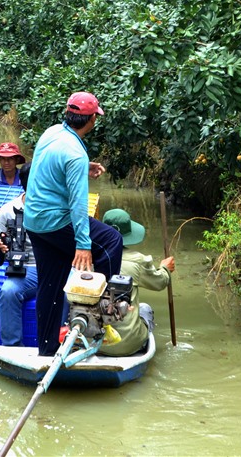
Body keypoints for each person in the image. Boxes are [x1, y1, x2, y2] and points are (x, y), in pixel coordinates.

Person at [23, 91, 124, 357]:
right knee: (112, 241)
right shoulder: (75, 153)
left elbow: (44, 166)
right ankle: (102, 314)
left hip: (34, 221)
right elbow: (79, 205)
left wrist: (82, 167)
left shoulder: (52, 132)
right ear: (91, 120)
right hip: (57, 221)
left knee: (50, 285)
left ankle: (46, 349)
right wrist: (82, 245)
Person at [97, 208, 176, 356]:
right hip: (128, 344)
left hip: (95, 342)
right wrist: (165, 268)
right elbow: (159, 282)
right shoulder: (137, 261)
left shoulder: (88, 258)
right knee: (144, 308)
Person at [0, 163, 37, 346]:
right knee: (9, 292)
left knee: (71, 293)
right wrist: (1, 247)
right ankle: (13, 347)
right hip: (28, 268)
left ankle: (62, 343)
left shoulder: (59, 208)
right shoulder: (7, 211)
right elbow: (0, 247)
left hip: (57, 266)